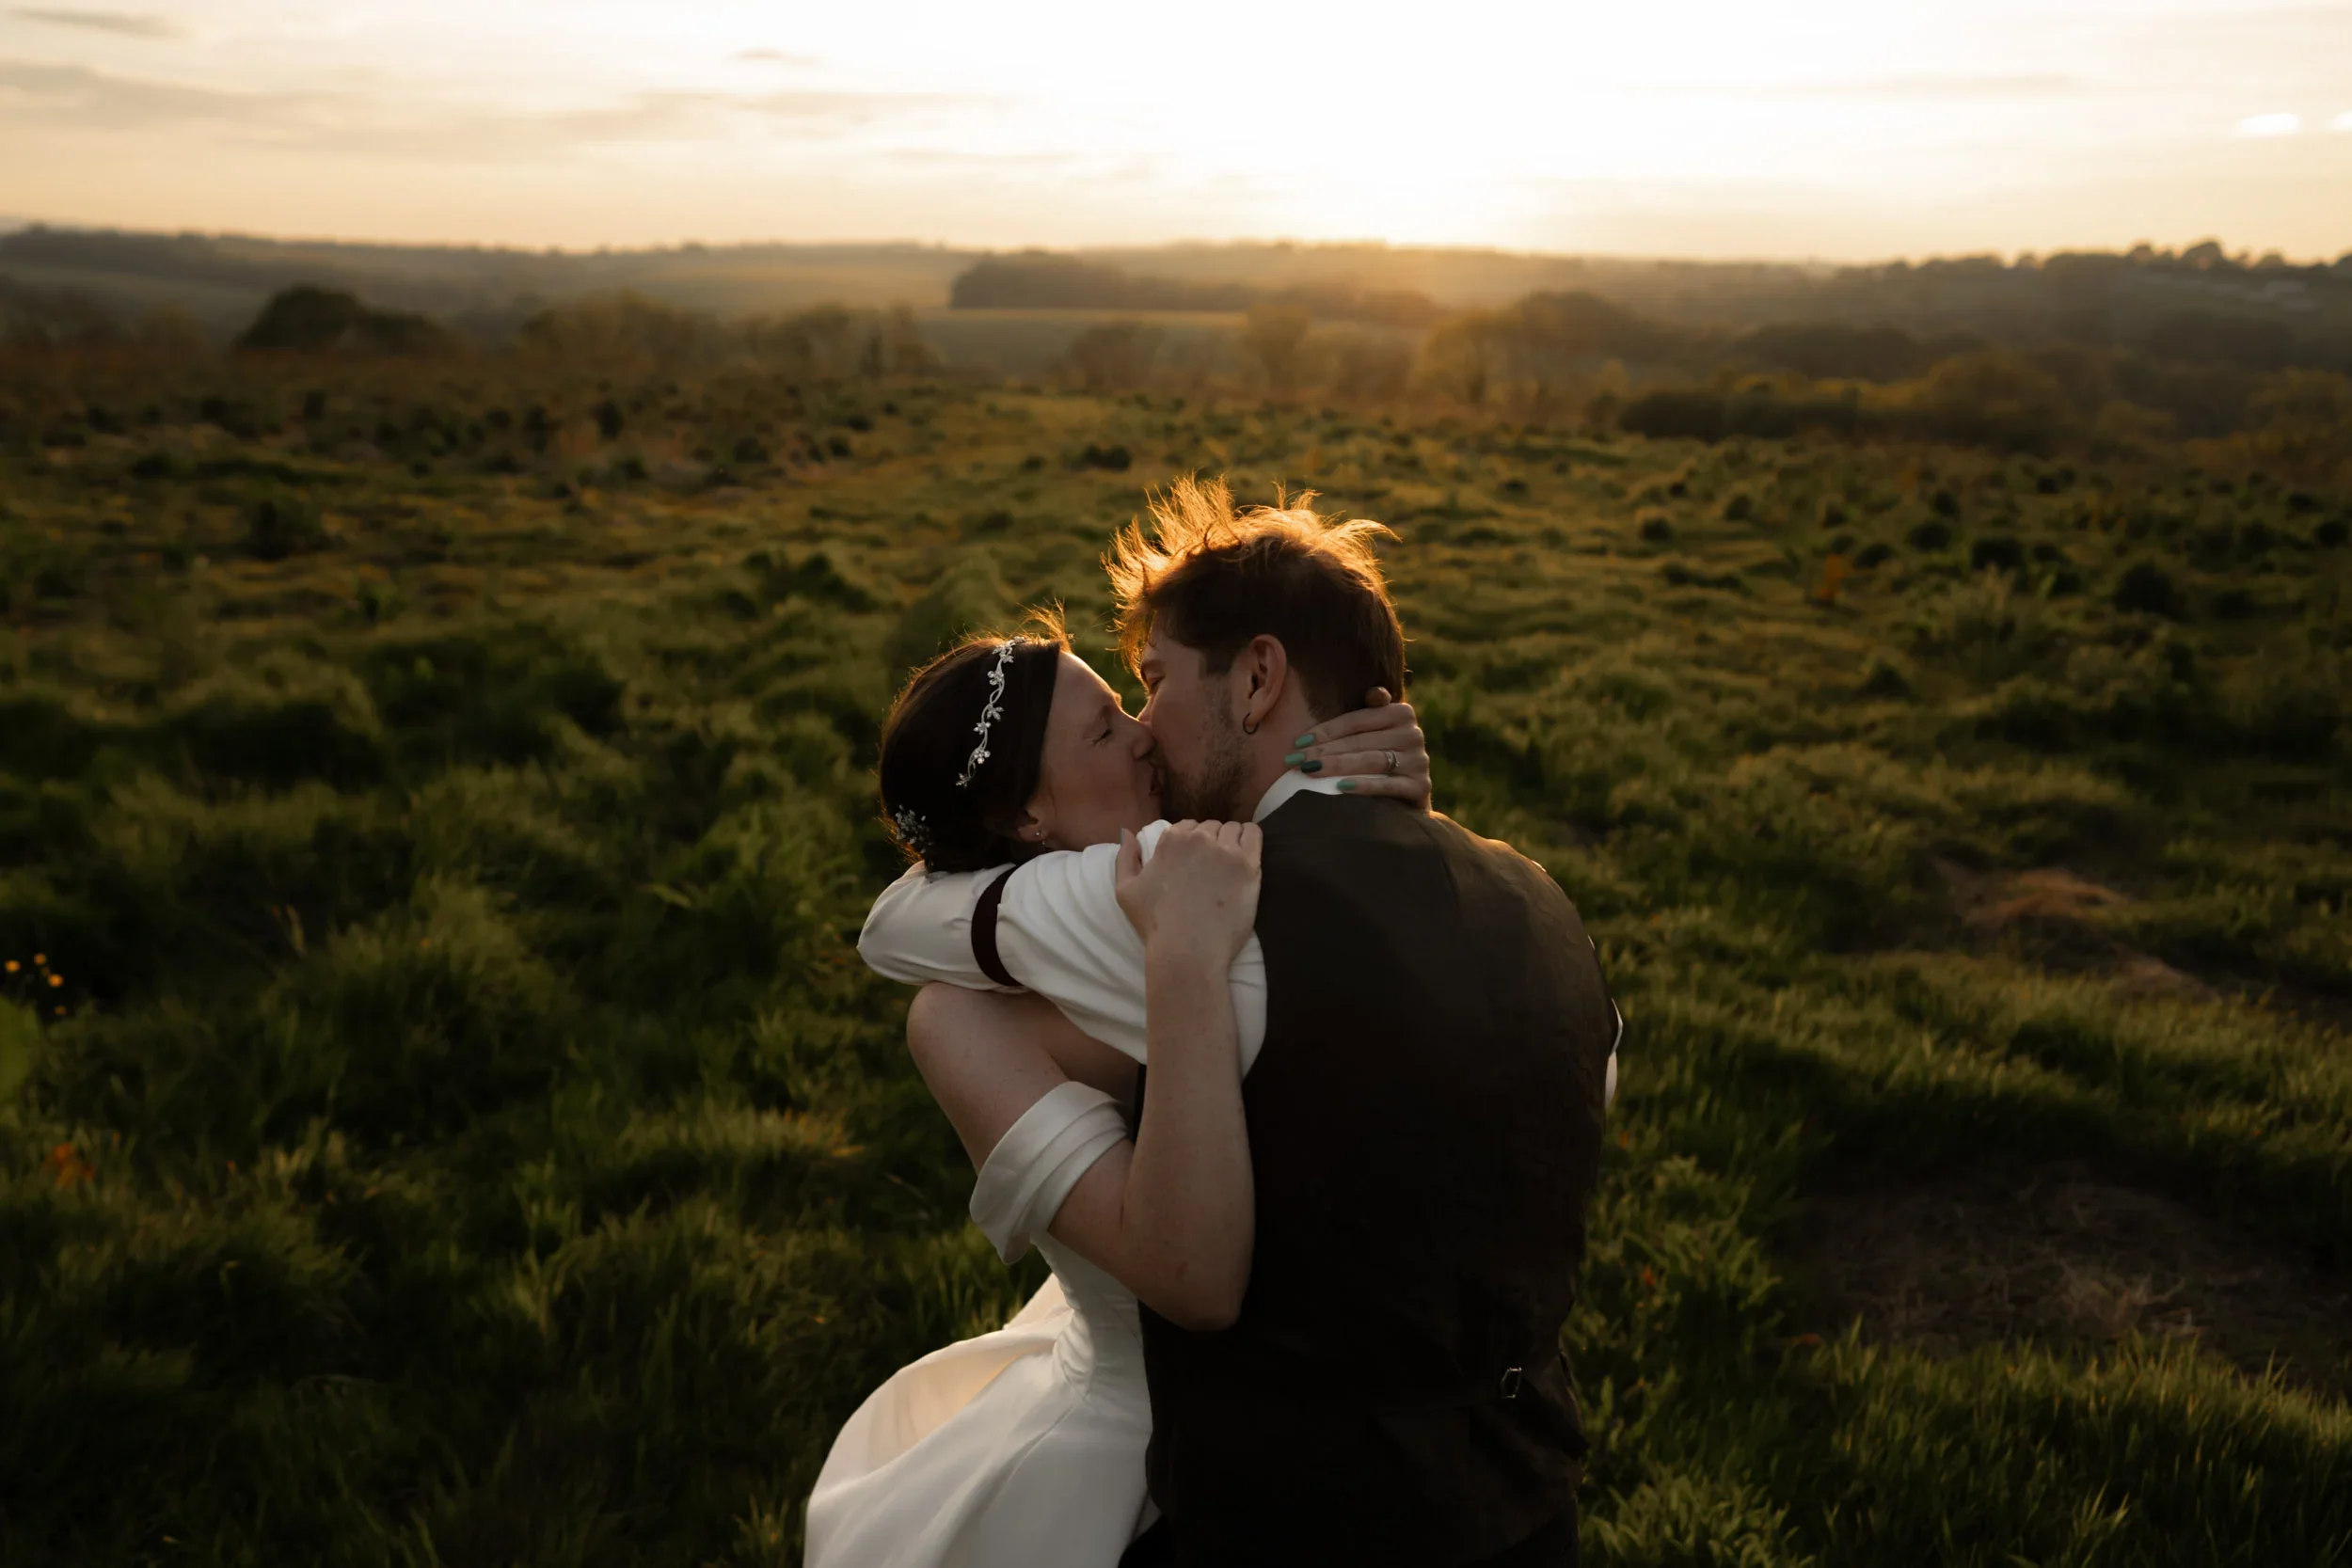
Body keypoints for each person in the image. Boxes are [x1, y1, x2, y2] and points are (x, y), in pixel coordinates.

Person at [836, 477, 1620, 1567]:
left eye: (1147, 685)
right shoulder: (1543, 909)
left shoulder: (1177, 891)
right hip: (1525, 1507)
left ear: (1258, 677)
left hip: (1261, 1513)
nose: (1146, 732)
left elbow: (899, 925)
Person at [803, 602, 1434, 1568]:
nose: (1145, 734)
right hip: (1136, 1471)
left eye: (1126, 701)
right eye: (1106, 727)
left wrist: (1349, 790)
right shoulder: (978, 1007)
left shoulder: (1191, 856)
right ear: (1024, 815)